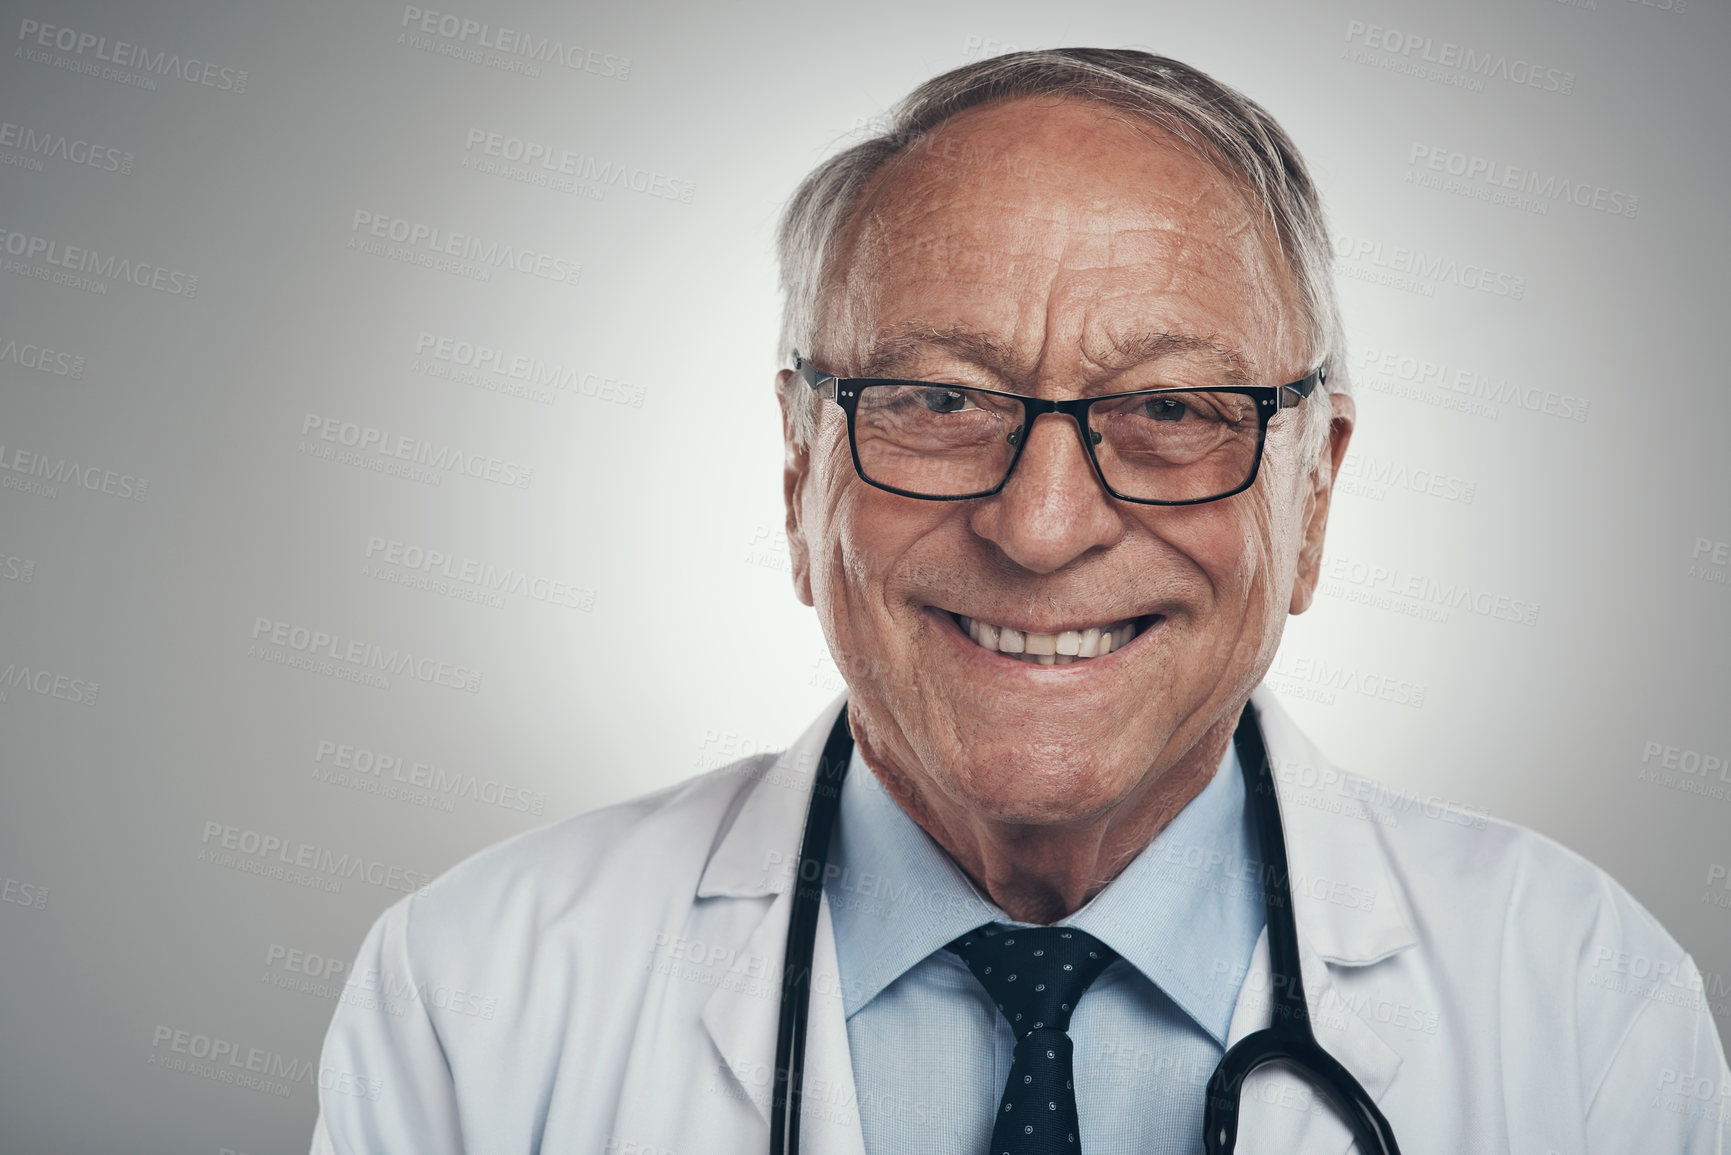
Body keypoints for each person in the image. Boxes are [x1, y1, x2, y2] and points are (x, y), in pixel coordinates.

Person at [310, 49, 1729, 1154]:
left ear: (1314, 498)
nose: (1043, 527)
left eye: (1174, 407)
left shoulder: (1584, 1000)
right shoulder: (474, 991)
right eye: (937, 399)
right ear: (804, 469)